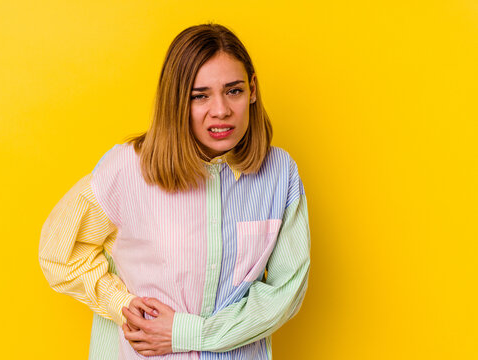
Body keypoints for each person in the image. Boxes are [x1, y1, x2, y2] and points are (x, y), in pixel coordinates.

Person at [39, 23, 310, 359]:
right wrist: (120, 304)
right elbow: (59, 252)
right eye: (200, 95)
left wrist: (188, 333)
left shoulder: (280, 174)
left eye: (234, 90)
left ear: (252, 89)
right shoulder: (127, 169)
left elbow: (285, 293)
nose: (221, 110)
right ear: (176, 100)